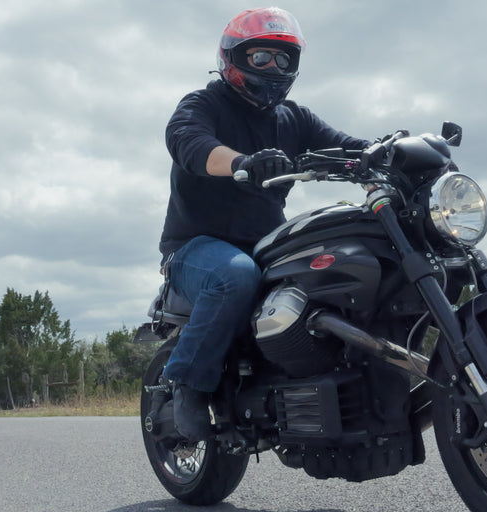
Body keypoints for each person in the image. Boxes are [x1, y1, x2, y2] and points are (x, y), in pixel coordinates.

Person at [158, 7, 370, 441]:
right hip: (197, 248)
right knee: (236, 276)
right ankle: (187, 384)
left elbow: (349, 147)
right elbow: (190, 143)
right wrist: (240, 162)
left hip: (267, 246)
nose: (273, 67)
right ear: (234, 57)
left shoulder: (295, 118)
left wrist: (392, 151)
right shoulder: (204, 103)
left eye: (283, 59)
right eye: (261, 57)